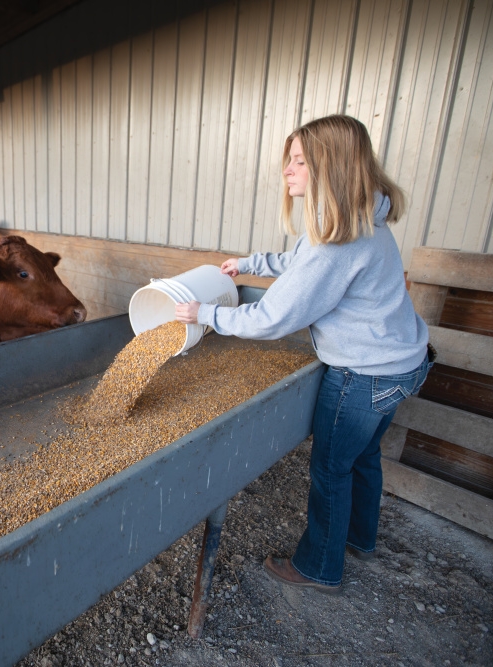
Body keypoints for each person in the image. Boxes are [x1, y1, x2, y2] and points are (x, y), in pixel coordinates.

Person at [175, 114, 434, 594]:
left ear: (329, 166)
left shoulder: (338, 244)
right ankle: (360, 538)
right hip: (403, 366)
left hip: (363, 375)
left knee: (331, 468)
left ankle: (318, 567)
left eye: (298, 161)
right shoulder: (361, 219)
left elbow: (273, 319)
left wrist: (204, 314)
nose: (287, 171)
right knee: (364, 456)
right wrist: (249, 263)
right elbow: (300, 260)